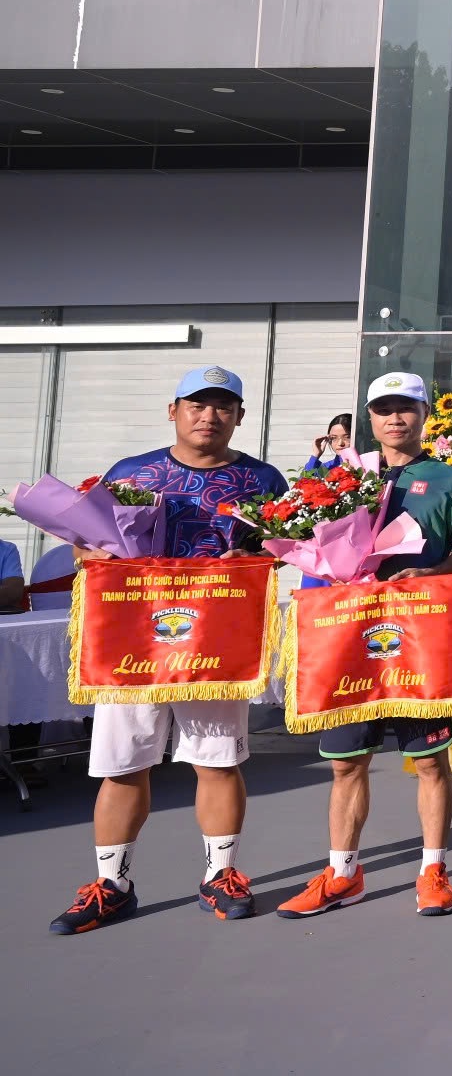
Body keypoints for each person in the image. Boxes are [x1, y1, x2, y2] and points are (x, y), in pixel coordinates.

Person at [48, 365, 288, 935]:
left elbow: (287, 547)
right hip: (133, 644)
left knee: (218, 761)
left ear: (240, 416)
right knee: (122, 765)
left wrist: (257, 559)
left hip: (216, 645)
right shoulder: (132, 473)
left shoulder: (264, 480)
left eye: (222, 406)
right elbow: (84, 547)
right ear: (173, 411)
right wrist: (92, 557)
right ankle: (112, 885)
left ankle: (220, 875)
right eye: (197, 405)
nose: (209, 416)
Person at [275, 373, 452, 919]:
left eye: (406, 408)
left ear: (424, 414)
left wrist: (428, 571)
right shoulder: (344, 478)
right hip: (349, 636)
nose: (395, 418)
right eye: (384, 409)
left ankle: (433, 870)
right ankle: (344, 873)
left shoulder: (450, 480)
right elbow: (303, 539)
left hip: (418, 638)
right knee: (346, 764)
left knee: (430, 761)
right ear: (369, 418)